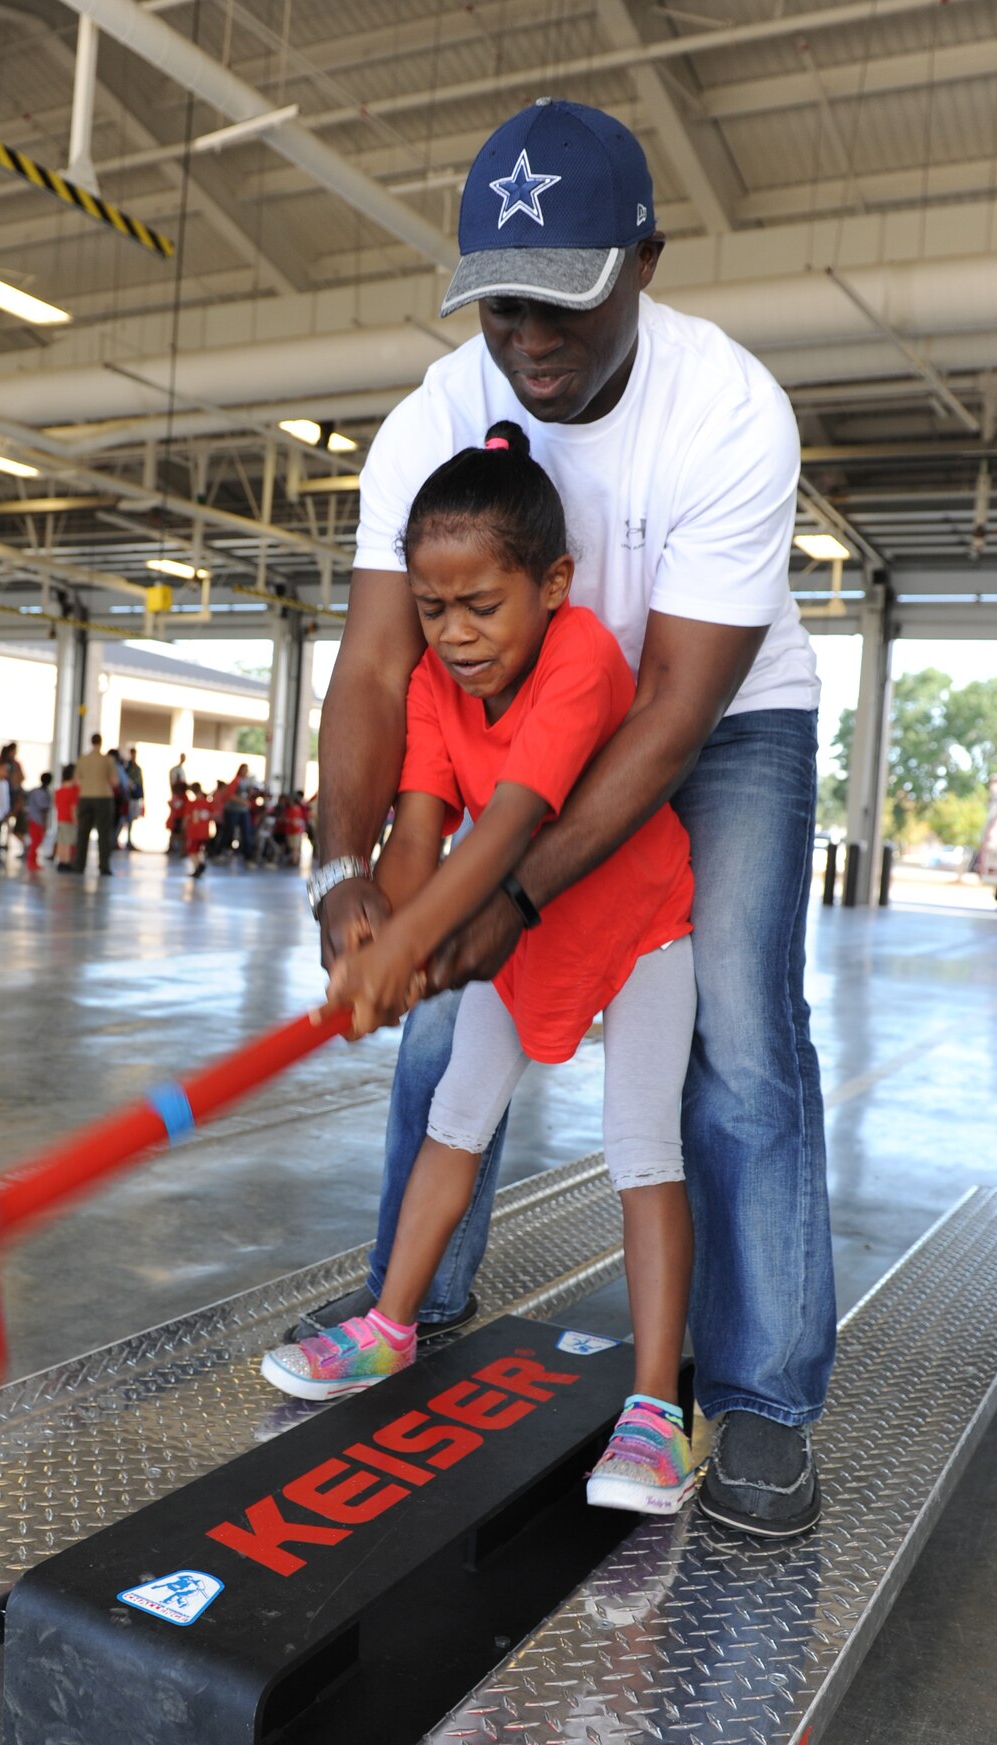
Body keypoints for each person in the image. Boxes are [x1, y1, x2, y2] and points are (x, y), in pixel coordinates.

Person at [305, 99, 834, 1539]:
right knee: (432, 1008)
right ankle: (407, 1307)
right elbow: (372, 662)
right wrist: (351, 874)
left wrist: (511, 899)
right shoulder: (428, 420)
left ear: (645, 264)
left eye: (565, 299)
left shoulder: (725, 411)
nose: (530, 336)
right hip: (513, 718)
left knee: (735, 1035)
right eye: (500, 305)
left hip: (714, 720)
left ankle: (765, 1395)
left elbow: (662, 713)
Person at [261, 429, 698, 1513]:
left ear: (549, 585)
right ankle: (387, 1326)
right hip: (521, 938)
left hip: (639, 921)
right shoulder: (432, 689)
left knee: (640, 1144)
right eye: (429, 605)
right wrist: (374, 929)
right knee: (452, 1115)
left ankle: (655, 1411)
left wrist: (412, 951)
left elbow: (505, 835)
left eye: (480, 606)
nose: (453, 633)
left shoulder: (585, 656)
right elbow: (421, 833)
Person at [74, 731, 119, 876]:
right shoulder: (107, 760)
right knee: (104, 833)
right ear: (101, 742)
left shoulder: (83, 759)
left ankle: (79, 864)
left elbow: (77, 780)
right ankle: (104, 866)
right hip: (103, 797)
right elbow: (115, 781)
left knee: (82, 832)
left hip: (85, 796)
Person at [182, 782, 214, 879]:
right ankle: (200, 865)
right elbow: (213, 815)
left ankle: (198, 867)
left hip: (194, 832)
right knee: (200, 850)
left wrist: (183, 827)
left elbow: (187, 817)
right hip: (204, 832)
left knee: (192, 850)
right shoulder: (207, 803)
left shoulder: (192, 804)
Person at [24, 771, 52, 874]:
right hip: (37, 820)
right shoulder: (43, 793)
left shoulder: (35, 791)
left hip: (32, 818)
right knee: (36, 841)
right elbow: (43, 809)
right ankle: (31, 861)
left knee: (36, 841)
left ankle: (33, 860)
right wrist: (44, 823)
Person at [54, 763, 79, 871]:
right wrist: (75, 820)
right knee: (68, 842)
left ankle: (61, 861)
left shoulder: (59, 791)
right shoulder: (74, 791)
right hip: (69, 820)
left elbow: (57, 805)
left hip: (60, 819)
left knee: (61, 841)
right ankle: (67, 862)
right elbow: (73, 808)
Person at [122, 746, 145, 849]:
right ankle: (125, 840)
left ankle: (129, 840)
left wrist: (142, 797)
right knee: (126, 818)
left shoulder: (137, 767)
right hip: (129, 796)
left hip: (135, 796)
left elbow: (141, 782)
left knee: (132, 819)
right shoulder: (127, 767)